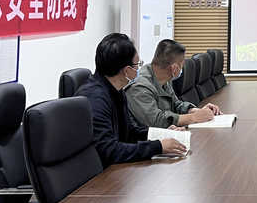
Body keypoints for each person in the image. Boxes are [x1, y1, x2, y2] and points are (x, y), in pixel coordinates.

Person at [79, 33, 188, 166]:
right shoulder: (95, 100)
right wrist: (158, 147)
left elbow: (130, 132)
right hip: (102, 174)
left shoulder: (116, 90)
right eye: (138, 64)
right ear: (127, 71)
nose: (139, 69)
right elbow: (109, 151)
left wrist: (163, 134)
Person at [126, 39, 221, 128]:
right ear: (174, 68)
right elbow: (155, 121)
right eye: (182, 65)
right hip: (148, 138)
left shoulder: (163, 78)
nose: (182, 69)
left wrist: (194, 111)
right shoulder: (139, 87)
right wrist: (193, 118)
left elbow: (175, 104)